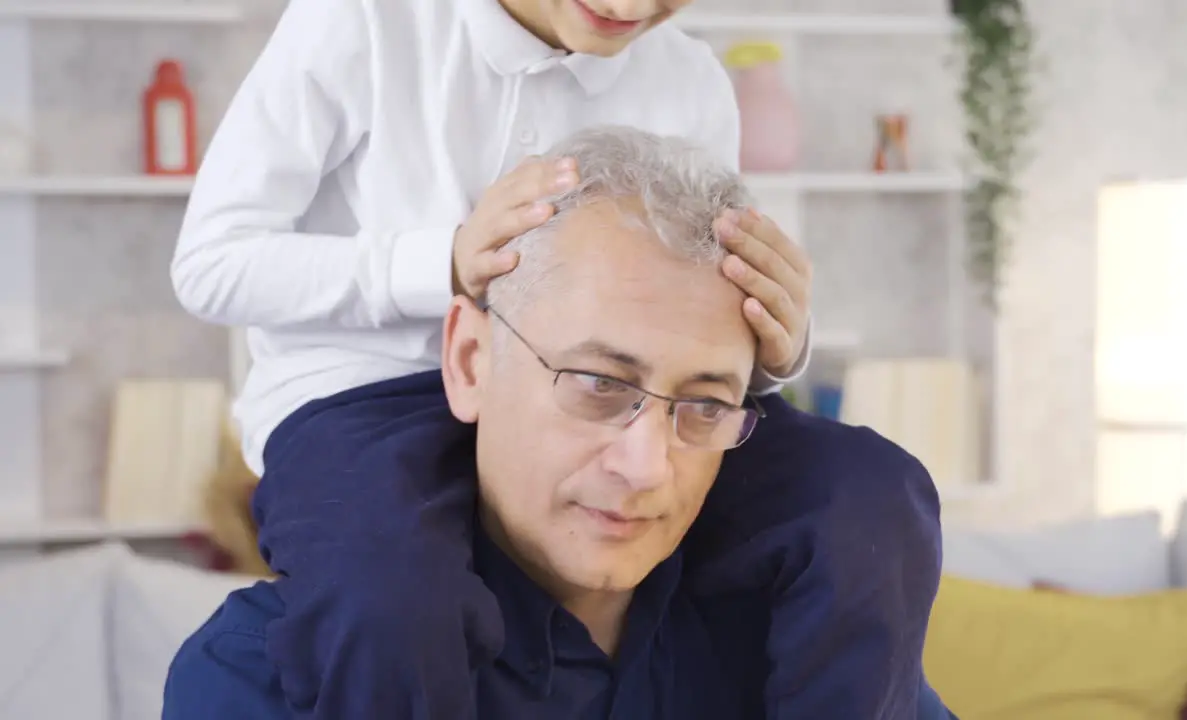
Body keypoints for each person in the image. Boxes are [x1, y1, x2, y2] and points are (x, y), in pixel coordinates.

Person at [170, 0, 945, 716]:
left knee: (874, 495)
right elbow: (211, 263)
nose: (630, 5)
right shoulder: (367, 20)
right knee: (394, 599)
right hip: (356, 402)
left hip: (625, 391)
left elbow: (691, 317)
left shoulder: (690, 78)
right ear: (465, 355)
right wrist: (440, 261)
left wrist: (776, 339)